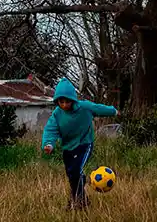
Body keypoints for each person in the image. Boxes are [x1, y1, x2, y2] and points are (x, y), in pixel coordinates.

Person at [42, 77, 118, 210]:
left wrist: (113, 111)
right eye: (61, 102)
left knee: (76, 170)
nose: (65, 105)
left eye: (67, 101)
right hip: (68, 148)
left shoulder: (84, 107)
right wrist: (49, 144)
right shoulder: (57, 115)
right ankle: (80, 200)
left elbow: (99, 108)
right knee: (72, 175)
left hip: (84, 144)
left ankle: (78, 201)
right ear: (57, 101)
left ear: (73, 99)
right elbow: (51, 130)